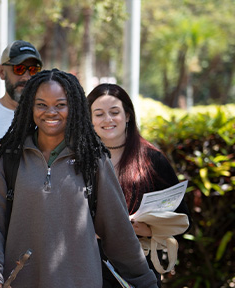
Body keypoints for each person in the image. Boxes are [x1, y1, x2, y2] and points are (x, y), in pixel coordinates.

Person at [0, 69, 158, 287]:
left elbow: (118, 233)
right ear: (29, 108)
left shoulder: (93, 161)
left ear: (75, 108)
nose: (51, 112)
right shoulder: (7, 161)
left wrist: (146, 282)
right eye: (41, 104)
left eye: (61, 105)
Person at [87, 83, 190, 285]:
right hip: (89, 266)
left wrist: (150, 230)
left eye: (114, 112)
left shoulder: (152, 160)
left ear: (128, 116)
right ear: (89, 120)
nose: (107, 119)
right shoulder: (79, 159)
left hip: (138, 268)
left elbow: (184, 218)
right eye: (99, 114)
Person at [0, 40, 42, 143]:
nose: (26, 77)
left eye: (33, 70)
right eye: (19, 69)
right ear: (2, 72)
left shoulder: (46, 117)